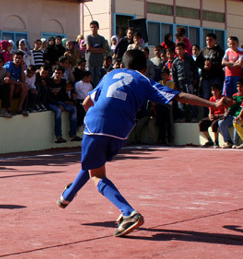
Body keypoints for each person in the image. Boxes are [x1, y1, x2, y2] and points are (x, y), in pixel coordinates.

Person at [57, 49, 232, 237]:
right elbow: (179, 96)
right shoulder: (144, 80)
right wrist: (213, 105)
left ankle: (129, 213)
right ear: (144, 68)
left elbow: (86, 104)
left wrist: (97, 115)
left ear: (122, 65)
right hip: (122, 129)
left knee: (97, 174)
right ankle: (66, 197)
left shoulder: (110, 74)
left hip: (96, 123)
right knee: (95, 164)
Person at [46, 66, 80, 144]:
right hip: (50, 103)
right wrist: (58, 104)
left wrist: (74, 93)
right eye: (56, 73)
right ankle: (58, 136)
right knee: (58, 111)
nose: (57, 75)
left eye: (59, 73)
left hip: (61, 102)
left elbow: (71, 86)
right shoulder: (48, 81)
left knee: (73, 109)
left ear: (62, 74)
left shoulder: (63, 82)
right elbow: (48, 97)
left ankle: (73, 134)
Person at [195, 33, 224, 117]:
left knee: (216, 96)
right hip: (206, 78)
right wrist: (204, 66)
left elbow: (222, 63)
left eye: (210, 39)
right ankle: (206, 114)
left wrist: (212, 65)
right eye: (207, 40)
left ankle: (218, 113)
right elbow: (198, 62)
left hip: (216, 77)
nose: (208, 41)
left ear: (215, 40)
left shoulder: (219, 51)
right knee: (206, 96)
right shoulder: (203, 50)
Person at [172, 42, 199, 122]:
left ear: (184, 49)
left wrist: (195, 78)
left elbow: (194, 69)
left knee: (191, 98)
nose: (179, 51)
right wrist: (175, 84)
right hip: (180, 82)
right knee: (181, 99)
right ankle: (183, 116)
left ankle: (193, 116)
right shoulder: (175, 61)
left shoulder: (189, 58)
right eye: (177, 49)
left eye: (180, 49)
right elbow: (174, 74)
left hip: (189, 80)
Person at [218, 79, 243, 148]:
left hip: (240, 117)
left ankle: (235, 143)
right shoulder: (234, 96)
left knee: (236, 122)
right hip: (234, 116)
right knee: (221, 123)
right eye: (238, 86)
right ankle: (228, 142)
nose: (239, 88)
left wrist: (239, 116)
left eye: (241, 86)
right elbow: (231, 107)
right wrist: (225, 115)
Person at [4, 50, 29, 116]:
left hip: (16, 86)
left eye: (19, 58)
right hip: (6, 87)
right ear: (13, 57)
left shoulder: (22, 66)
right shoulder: (9, 65)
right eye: (16, 57)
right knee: (12, 86)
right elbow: (8, 80)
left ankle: (19, 108)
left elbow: (23, 80)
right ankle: (8, 107)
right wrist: (19, 84)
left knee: (25, 85)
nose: (17, 60)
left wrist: (23, 68)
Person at [85, 20, 108, 86]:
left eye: (94, 27)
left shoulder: (101, 38)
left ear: (97, 28)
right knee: (90, 78)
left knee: (98, 78)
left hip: (99, 62)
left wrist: (94, 50)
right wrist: (99, 49)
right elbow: (89, 48)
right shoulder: (88, 37)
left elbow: (104, 49)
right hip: (90, 62)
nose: (93, 28)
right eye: (91, 27)